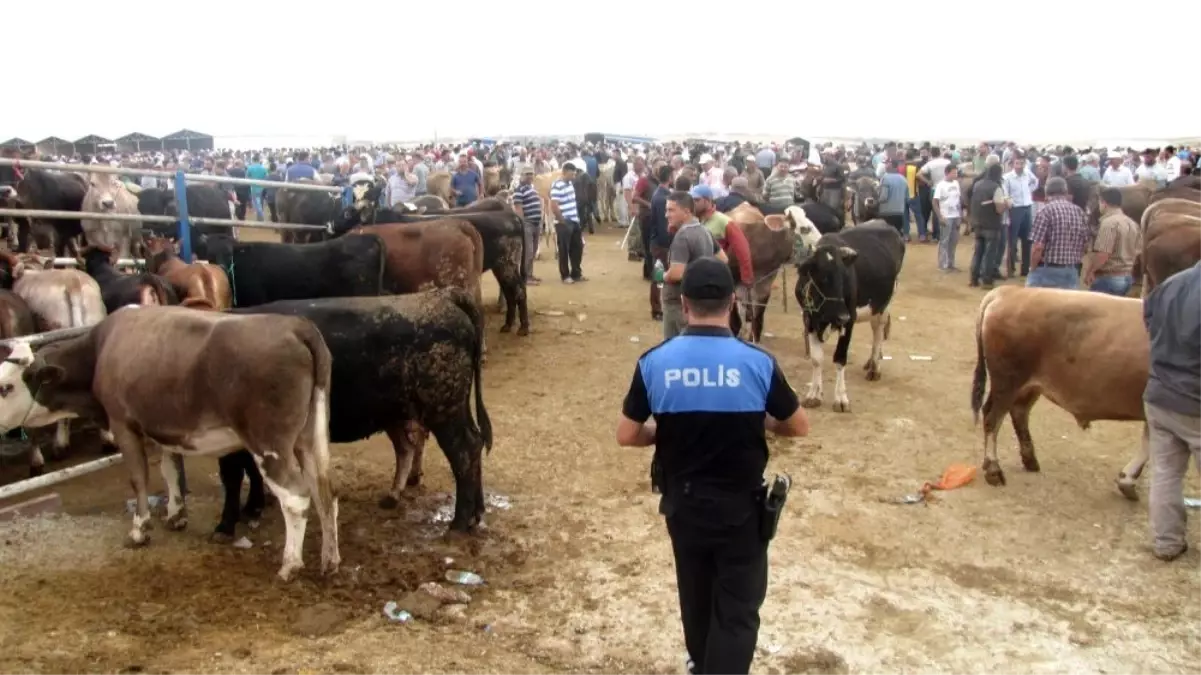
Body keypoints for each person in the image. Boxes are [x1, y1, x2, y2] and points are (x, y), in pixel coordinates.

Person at [616, 256, 809, 675]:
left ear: (684, 305)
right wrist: (756, 417)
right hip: (742, 511)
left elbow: (627, 434)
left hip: (683, 507)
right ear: (732, 303)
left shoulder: (654, 362)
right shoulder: (757, 363)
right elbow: (798, 425)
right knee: (738, 612)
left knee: (696, 599)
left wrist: (662, 432)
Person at [1142, 259, 1201, 561]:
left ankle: (1166, 542)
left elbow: (1148, 323)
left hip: (1160, 395)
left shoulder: (1170, 284)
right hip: (1195, 401)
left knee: (1165, 473)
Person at [661, 192, 726, 340]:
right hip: (698, 303)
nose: (666, 215)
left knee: (675, 348)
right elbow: (723, 259)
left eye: (671, 210)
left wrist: (663, 275)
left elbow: (677, 274)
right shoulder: (704, 230)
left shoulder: (683, 236)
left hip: (678, 303)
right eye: (667, 210)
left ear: (686, 211)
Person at [1026, 177, 1089, 289]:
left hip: (1047, 270)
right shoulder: (1079, 211)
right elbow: (1085, 244)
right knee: (1068, 306)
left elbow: (1038, 247)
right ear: (1065, 192)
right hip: (1071, 270)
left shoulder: (1045, 211)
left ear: (1047, 192)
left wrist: (1032, 268)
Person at [1085, 187, 1140, 296]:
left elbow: (1103, 254)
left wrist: (1090, 271)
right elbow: (1138, 251)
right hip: (1127, 277)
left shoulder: (1108, 223)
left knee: (1098, 311)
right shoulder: (1132, 223)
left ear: (1104, 203)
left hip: (1109, 278)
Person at [969, 163, 1009, 289]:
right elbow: (999, 209)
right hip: (992, 225)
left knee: (978, 252)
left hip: (978, 223)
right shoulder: (996, 188)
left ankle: (974, 279)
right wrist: (1007, 204)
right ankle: (987, 280)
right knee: (989, 253)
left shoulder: (977, 184)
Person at [549, 162, 586, 284]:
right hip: (564, 222)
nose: (573, 176)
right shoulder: (557, 186)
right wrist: (562, 220)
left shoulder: (570, 184)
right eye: (571, 174)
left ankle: (576, 273)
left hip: (574, 220)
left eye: (574, 174)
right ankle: (565, 275)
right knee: (564, 249)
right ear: (564, 172)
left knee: (577, 248)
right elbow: (554, 205)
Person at [1002, 155, 1038, 278]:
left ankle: (1025, 269)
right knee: (1012, 240)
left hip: (1027, 207)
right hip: (1015, 209)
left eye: (1022, 163)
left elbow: (1035, 182)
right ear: (1012, 165)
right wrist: (1010, 203)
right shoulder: (1007, 178)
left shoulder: (1027, 174)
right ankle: (1010, 269)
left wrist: (1029, 191)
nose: (1020, 166)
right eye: (1017, 163)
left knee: (1027, 240)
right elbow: (1005, 194)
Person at [512, 166, 543, 284]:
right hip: (528, 224)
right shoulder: (519, 190)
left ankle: (529, 274)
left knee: (533, 250)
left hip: (536, 223)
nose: (530, 176)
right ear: (522, 176)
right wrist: (522, 224)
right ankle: (525, 277)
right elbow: (518, 209)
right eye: (527, 174)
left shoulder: (531, 188)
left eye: (531, 173)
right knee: (528, 252)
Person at [933, 164, 963, 271]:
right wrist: (940, 216)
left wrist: (960, 215)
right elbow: (935, 202)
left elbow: (959, 200)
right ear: (947, 173)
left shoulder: (956, 183)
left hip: (955, 215)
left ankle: (951, 263)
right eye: (953, 172)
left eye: (956, 172)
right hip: (946, 216)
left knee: (954, 240)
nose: (955, 174)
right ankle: (942, 264)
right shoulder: (940, 185)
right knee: (944, 241)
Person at [877, 160, 909, 236]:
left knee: (886, 236)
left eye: (888, 165)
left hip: (886, 212)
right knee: (896, 235)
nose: (886, 166)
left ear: (893, 167)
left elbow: (883, 197)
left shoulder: (885, 178)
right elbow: (907, 197)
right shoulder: (904, 179)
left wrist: (875, 202)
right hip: (900, 212)